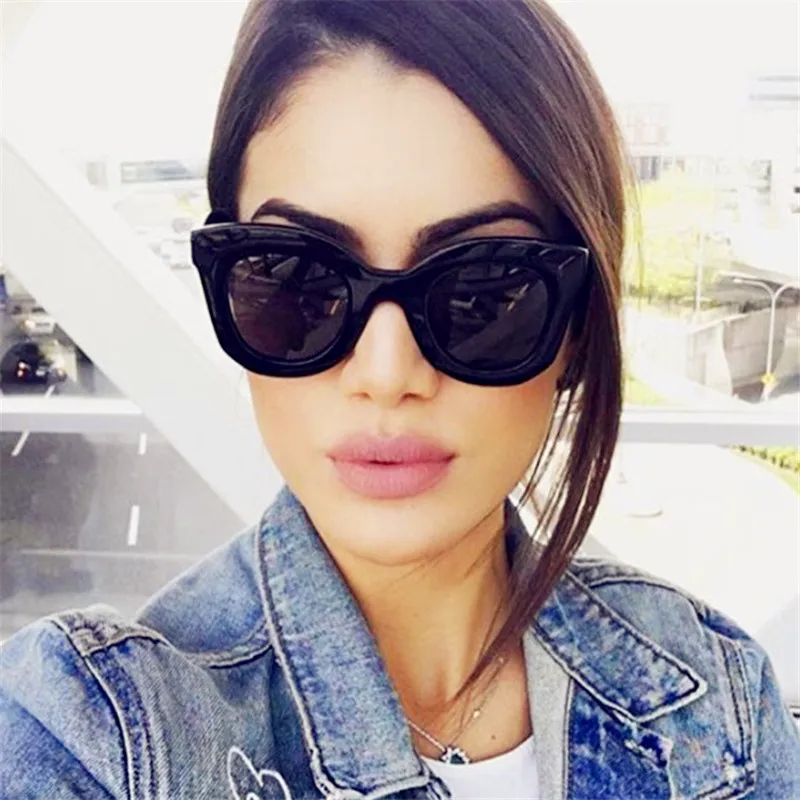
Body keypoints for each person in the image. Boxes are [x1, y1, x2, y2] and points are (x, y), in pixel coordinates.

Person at [1, 1, 798, 797]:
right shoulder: (97, 731)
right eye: (297, 280)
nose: (385, 373)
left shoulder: (722, 702)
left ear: (577, 327)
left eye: (481, 290)